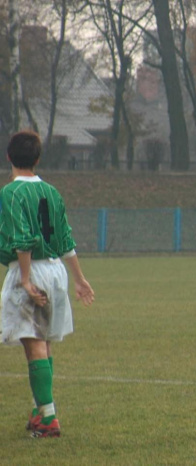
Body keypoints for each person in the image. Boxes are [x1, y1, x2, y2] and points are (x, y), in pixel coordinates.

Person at [0, 130, 95, 437]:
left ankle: (49, 418)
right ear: (38, 159)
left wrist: (25, 280)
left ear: (9, 157)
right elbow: (66, 239)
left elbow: (23, 239)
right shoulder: (52, 192)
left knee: (34, 343)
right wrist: (79, 279)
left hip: (32, 268)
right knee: (44, 341)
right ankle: (39, 410)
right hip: (56, 271)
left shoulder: (11, 193)